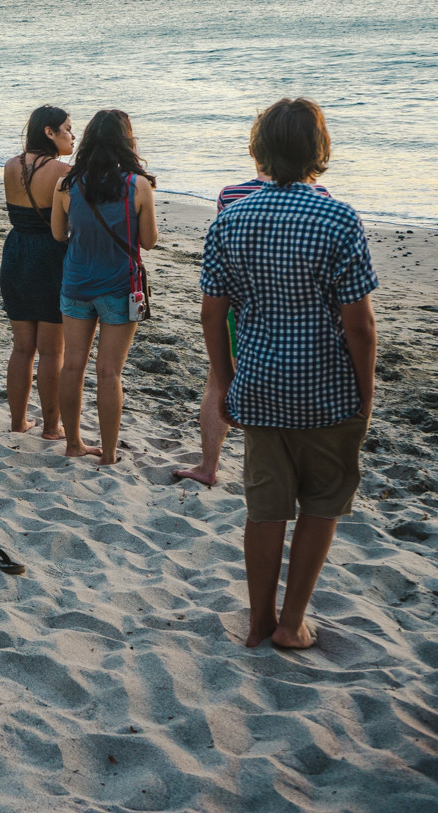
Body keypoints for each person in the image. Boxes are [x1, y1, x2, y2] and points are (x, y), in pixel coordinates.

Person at [199, 98, 376, 650]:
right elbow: (360, 327)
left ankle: (257, 619)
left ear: (261, 150)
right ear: (318, 152)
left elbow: (212, 313)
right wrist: (364, 393)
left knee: (265, 507)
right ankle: (291, 622)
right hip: (325, 389)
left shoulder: (231, 219)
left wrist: (225, 380)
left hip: (258, 385)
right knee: (322, 504)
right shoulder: (339, 219)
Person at [174, 172, 332, 486]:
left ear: (255, 149)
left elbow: (224, 256)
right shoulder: (319, 194)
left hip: (240, 303)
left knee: (219, 382)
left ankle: (208, 467)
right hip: (293, 309)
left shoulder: (230, 195)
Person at [50, 109, 158, 465]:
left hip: (77, 283)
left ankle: (73, 444)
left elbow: (57, 234)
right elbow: (149, 241)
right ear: (127, 141)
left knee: (72, 366)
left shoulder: (67, 184)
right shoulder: (137, 185)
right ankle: (109, 453)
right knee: (109, 372)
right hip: (120, 287)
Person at [0, 105, 73, 439]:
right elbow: (64, 227)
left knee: (21, 348)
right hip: (49, 257)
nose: (73, 135)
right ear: (49, 132)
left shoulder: (10, 165)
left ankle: (17, 422)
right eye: (68, 128)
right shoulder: (62, 172)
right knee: (52, 352)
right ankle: (52, 427)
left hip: (16, 252)